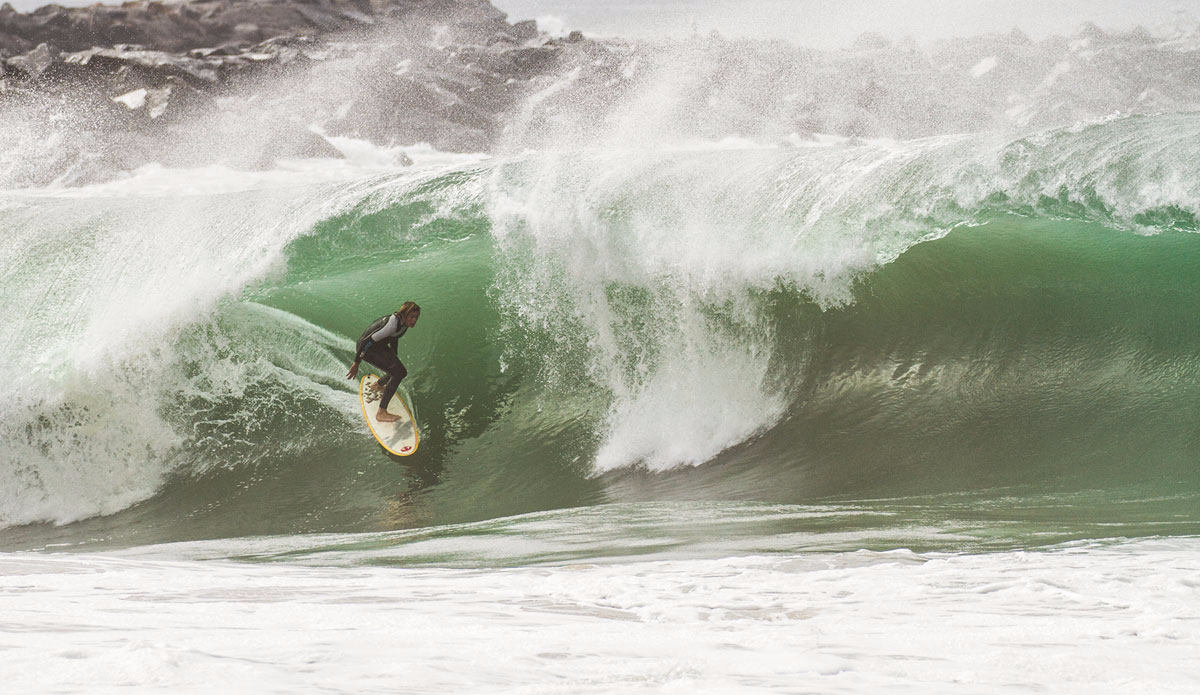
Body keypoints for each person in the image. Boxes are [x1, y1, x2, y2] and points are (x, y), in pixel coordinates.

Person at [346, 301, 420, 423]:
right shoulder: (391, 324)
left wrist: (394, 355)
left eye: (416, 317)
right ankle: (381, 412)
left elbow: (394, 338)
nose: (414, 320)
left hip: (379, 347)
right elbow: (366, 341)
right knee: (399, 372)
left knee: (398, 370)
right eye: (411, 317)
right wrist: (356, 362)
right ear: (404, 314)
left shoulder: (404, 324)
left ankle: (378, 385)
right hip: (367, 349)